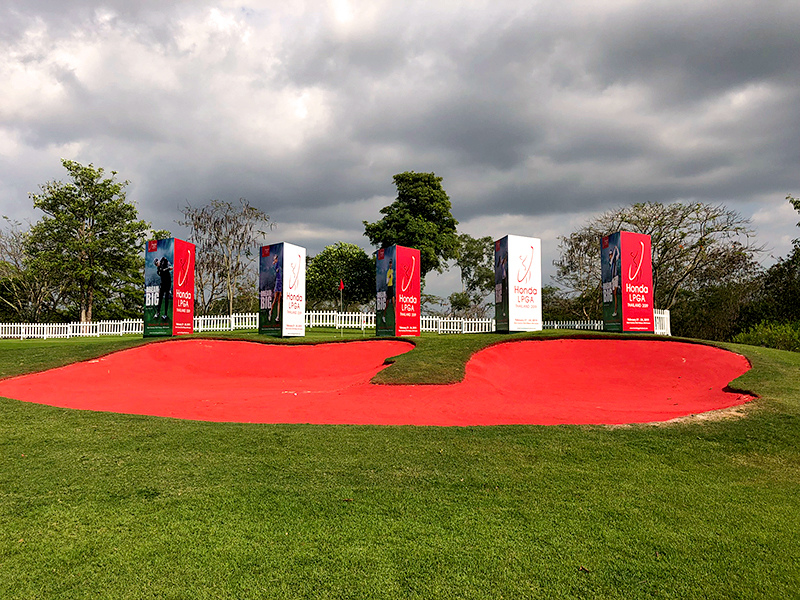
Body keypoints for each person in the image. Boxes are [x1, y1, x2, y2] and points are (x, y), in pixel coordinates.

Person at [269, 254, 283, 322]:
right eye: (275, 259)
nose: (276, 260)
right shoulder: (275, 266)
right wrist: (274, 263)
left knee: (279, 300)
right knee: (275, 300)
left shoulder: (279, 265)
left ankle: (277, 316)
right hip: (277, 282)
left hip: (280, 283)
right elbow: (275, 270)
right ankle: (271, 313)